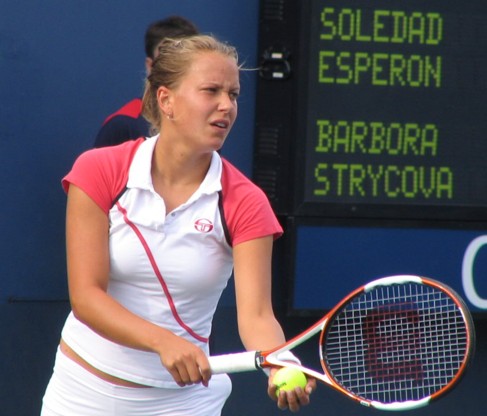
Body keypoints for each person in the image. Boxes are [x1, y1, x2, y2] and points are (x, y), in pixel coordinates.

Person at [41, 35, 315, 415]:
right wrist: (162, 342)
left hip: (183, 404)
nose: (227, 106)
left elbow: (257, 316)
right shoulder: (98, 170)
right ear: (165, 100)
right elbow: (86, 297)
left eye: (233, 94)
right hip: (83, 394)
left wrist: (278, 362)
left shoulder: (246, 201)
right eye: (211, 91)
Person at [93, 16, 199, 148]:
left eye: (184, 59)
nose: (176, 67)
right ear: (150, 66)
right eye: (167, 58)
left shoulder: (203, 121)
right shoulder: (123, 124)